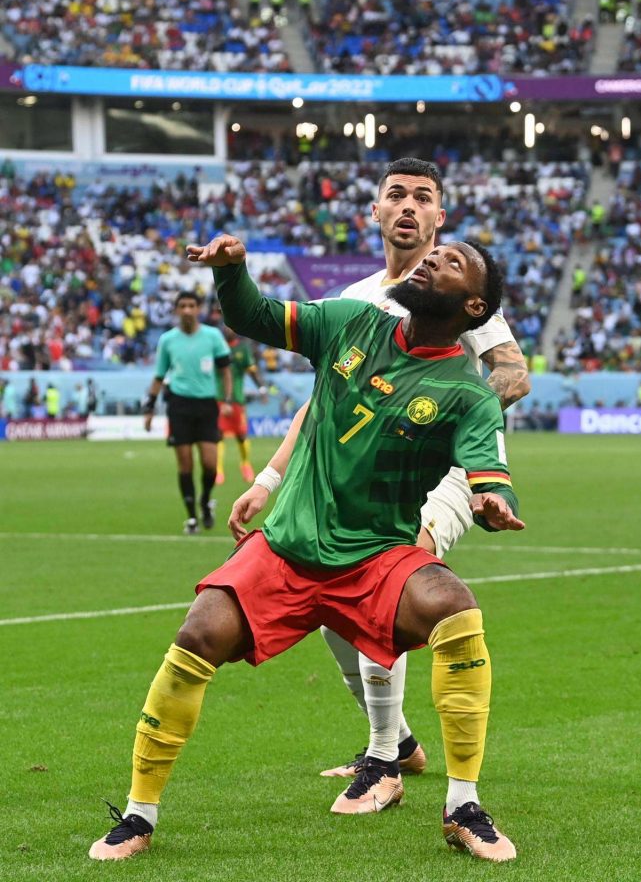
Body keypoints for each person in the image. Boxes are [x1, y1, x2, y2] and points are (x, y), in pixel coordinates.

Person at [89, 231, 524, 864]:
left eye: (452, 262)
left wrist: (491, 503)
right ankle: (138, 815)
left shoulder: (468, 392)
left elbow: (487, 473)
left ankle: (462, 805)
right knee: (198, 634)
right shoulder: (351, 321)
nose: (432, 257)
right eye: (435, 253)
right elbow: (253, 315)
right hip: (287, 548)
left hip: (377, 557)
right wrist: (232, 272)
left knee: (455, 606)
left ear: (475, 309)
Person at [229, 158, 530, 786]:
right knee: (332, 603)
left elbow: (513, 372)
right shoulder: (356, 302)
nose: (409, 206)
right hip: (349, 478)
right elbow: (322, 407)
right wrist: (269, 480)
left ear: (439, 217)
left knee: (391, 569)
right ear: (376, 211)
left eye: (423, 197)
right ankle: (398, 741)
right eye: (397, 195)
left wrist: (440, 416)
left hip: (441, 469)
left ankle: (382, 760)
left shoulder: (456, 288)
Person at [143, 291, 233, 535]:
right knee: (185, 465)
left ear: (199, 308)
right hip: (179, 406)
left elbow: (225, 371)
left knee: (210, 464)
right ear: (176, 310)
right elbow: (159, 376)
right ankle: (192, 517)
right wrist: (149, 408)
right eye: (182, 306)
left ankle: (205, 501)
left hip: (206, 406)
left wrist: (226, 399)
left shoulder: (213, 336)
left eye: (191, 306)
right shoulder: (168, 340)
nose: (186, 310)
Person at [215, 327, 268, 486]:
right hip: (218, 398)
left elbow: (252, 371)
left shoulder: (242, 348)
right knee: (218, 435)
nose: (227, 329)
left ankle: (245, 463)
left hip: (237, 399)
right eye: (224, 326)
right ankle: (218, 470)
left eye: (230, 326)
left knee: (241, 436)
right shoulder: (216, 347)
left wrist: (262, 388)